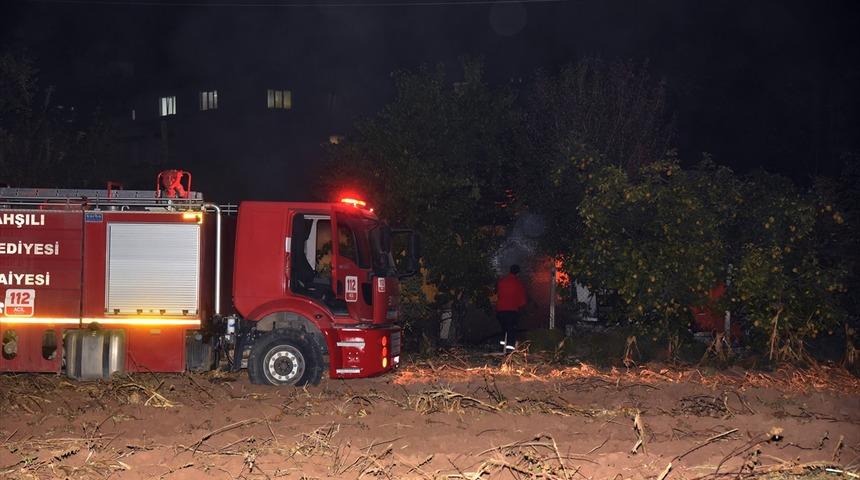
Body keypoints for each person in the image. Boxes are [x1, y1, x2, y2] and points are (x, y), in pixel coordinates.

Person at [496, 264, 527, 352]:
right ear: (518, 273)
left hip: (500, 311)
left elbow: (498, 295)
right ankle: (509, 352)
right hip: (512, 311)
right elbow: (522, 301)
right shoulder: (518, 283)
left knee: (503, 330)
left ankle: (501, 348)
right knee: (511, 332)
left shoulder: (502, 281)